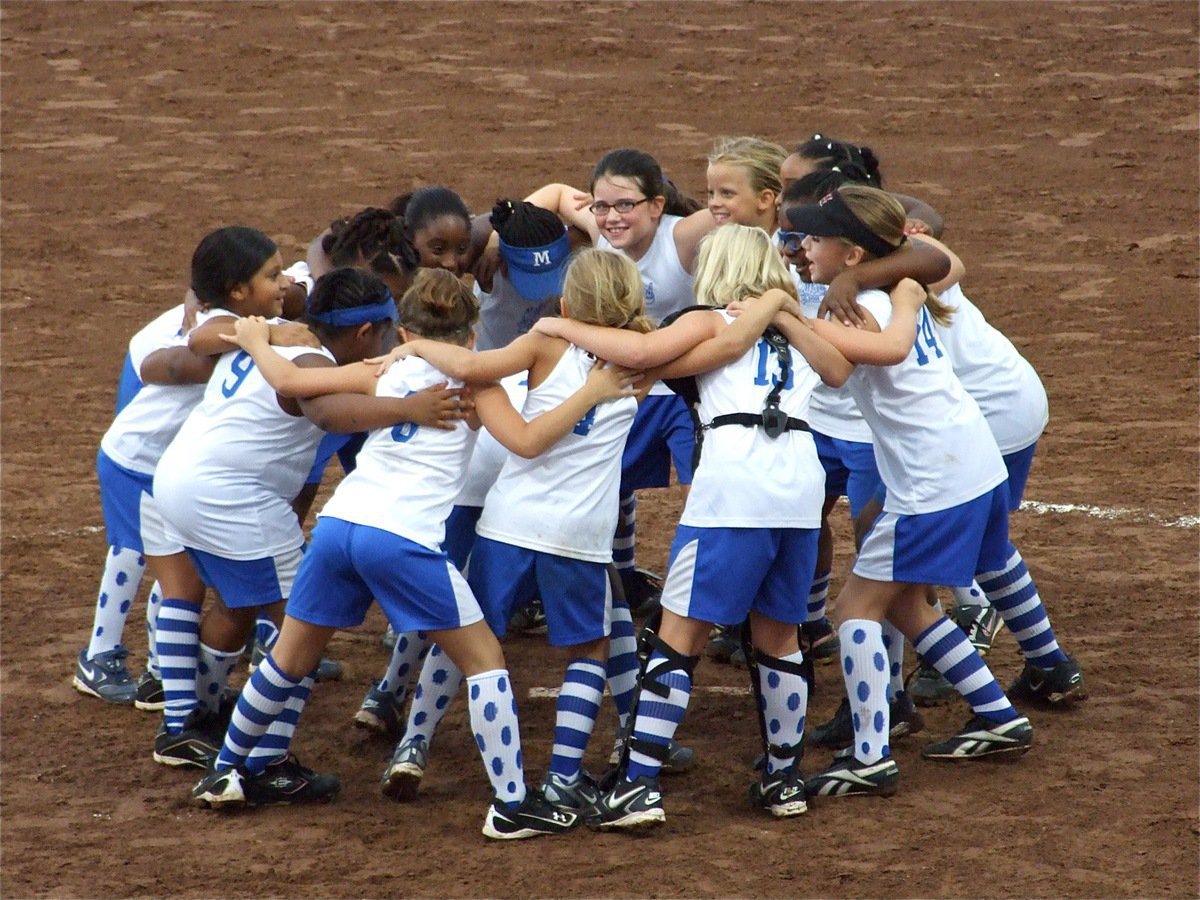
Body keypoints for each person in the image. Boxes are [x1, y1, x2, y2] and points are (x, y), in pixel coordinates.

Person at [192, 267, 638, 840]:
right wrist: (592, 391)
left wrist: (256, 341)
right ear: (473, 338)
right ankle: (511, 804)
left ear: (404, 332)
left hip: (338, 525)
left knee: (288, 659)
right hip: (399, 539)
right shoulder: (477, 387)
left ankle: (225, 771)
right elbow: (526, 441)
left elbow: (292, 383)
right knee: (485, 661)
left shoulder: (389, 368)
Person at [532, 224, 902, 829]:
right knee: (780, 637)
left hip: (734, 489)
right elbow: (837, 371)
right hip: (798, 488)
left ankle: (637, 786)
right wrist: (782, 312)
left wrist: (559, 325)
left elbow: (645, 357)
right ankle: (783, 780)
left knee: (679, 634)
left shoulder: (708, 319)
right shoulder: (797, 326)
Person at [775, 185, 1078, 797]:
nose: (802, 246)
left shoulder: (873, 310)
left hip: (934, 485)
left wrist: (783, 316)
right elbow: (924, 273)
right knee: (908, 605)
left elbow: (866, 356)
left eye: (814, 237)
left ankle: (870, 755)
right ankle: (998, 716)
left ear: (853, 254)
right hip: (973, 469)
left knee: (854, 609)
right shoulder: (897, 291)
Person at [370, 249, 660, 814]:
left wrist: (415, 345)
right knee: (588, 650)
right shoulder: (645, 363)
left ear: (568, 302)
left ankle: (413, 744)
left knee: (463, 637)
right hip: (580, 533)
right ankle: (562, 777)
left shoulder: (545, 342)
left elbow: (474, 370)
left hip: (507, 524)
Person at [151, 258, 462, 770]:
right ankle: (264, 759)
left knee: (238, 606)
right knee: (302, 625)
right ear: (366, 333)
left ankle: (192, 718)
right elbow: (324, 411)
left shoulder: (271, 335)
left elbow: (203, 332)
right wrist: (409, 409)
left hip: (182, 481)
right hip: (231, 497)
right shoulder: (313, 364)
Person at [525, 149, 716, 613]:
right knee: (609, 479)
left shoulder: (682, 235)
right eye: (601, 206)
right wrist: (495, 242)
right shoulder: (601, 230)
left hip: (683, 389)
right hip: (622, 384)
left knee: (706, 493)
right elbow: (550, 195)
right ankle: (621, 578)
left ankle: (703, 600)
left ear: (656, 205)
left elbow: (742, 205)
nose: (611, 217)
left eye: (625, 205)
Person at [75, 300, 222, 707]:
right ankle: (100, 656)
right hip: (138, 459)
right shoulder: (219, 331)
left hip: (170, 462)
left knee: (177, 560)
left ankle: (160, 668)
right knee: (137, 551)